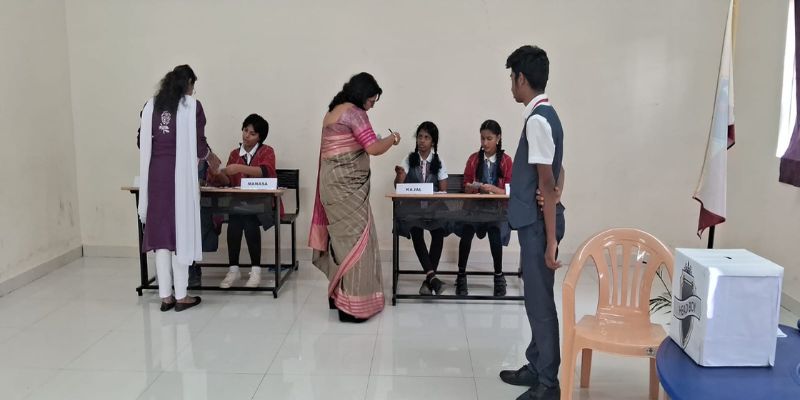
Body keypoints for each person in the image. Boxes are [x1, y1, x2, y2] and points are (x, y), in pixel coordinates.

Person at [498, 46, 566, 400]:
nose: (511, 84)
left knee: (540, 306)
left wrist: (551, 241)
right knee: (535, 300)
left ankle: (548, 383)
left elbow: (547, 180)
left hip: (540, 227)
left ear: (521, 79)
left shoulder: (538, 120)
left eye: (512, 78)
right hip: (536, 222)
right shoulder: (545, 114)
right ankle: (536, 364)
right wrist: (553, 190)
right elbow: (557, 171)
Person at [309, 72, 401, 323]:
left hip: (330, 186)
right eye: (371, 100)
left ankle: (336, 296)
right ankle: (352, 307)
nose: (372, 106)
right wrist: (392, 139)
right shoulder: (355, 113)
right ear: (362, 95)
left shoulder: (332, 112)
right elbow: (373, 148)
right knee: (358, 242)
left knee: (341, 241)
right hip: (347, 188)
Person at [138, 64, 220, 312]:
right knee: (180, 232)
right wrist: (211, 158)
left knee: (162, 235)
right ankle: (182, 295)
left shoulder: (151, 106)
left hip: (155, 175)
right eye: (193, 86)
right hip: (179, 177)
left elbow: (141, 140)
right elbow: (199, 145)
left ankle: (165, 296)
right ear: (189, 84)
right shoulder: (192, 107)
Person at [207, 114, 281, 288]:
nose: (247, 136)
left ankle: (255, 270)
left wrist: (239, 168)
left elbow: (266, 171)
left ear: (260, 137)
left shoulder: (267, 151)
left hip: (263, 204)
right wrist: (218, 174)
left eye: (252, 133)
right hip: (238, 204)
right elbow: (228, 182)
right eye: (245, 130)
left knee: (248, 219)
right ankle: (234, 269)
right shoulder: (234, 153)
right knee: (235, 221)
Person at [456, 119, 513, 296]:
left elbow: (510, 190)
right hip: (474, 209)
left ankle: (498, 275)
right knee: (466, 233)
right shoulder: (473, 159)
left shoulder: (506, 161)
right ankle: (461, 275)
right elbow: (465, 184)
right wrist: (471, 187)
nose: (485, 143)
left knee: (495, 234)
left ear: (498, 138)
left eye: (489, 139)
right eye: (482, 138)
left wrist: (493, 189)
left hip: (496, 210)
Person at [393, 121, 449, 295]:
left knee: (439, 233)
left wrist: (433, 202)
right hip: (413, 209)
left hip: (434, 208)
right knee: (416, 230)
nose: (422, 141)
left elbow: (443, 190)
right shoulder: (408, 159)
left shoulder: (439, 161)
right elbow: (398, 186)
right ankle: (433, 278)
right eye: (419, 137)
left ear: (433, 141)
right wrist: (400, 175)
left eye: (426, 137)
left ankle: (429, 280)